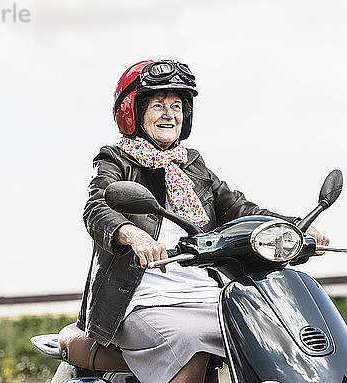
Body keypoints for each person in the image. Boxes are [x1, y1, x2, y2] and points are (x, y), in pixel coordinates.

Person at [76, 60, 329, 383]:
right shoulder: (116, 159)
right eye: (157, 105)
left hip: (209, 296)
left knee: (279, 333)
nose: (169, 114)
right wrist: (133, 236)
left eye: (177, 105)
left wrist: (296, 228)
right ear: (133, 112)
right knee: (188, 343)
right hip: (145, 299)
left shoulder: (193, 166)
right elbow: (97, 208)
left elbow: (240, 208)